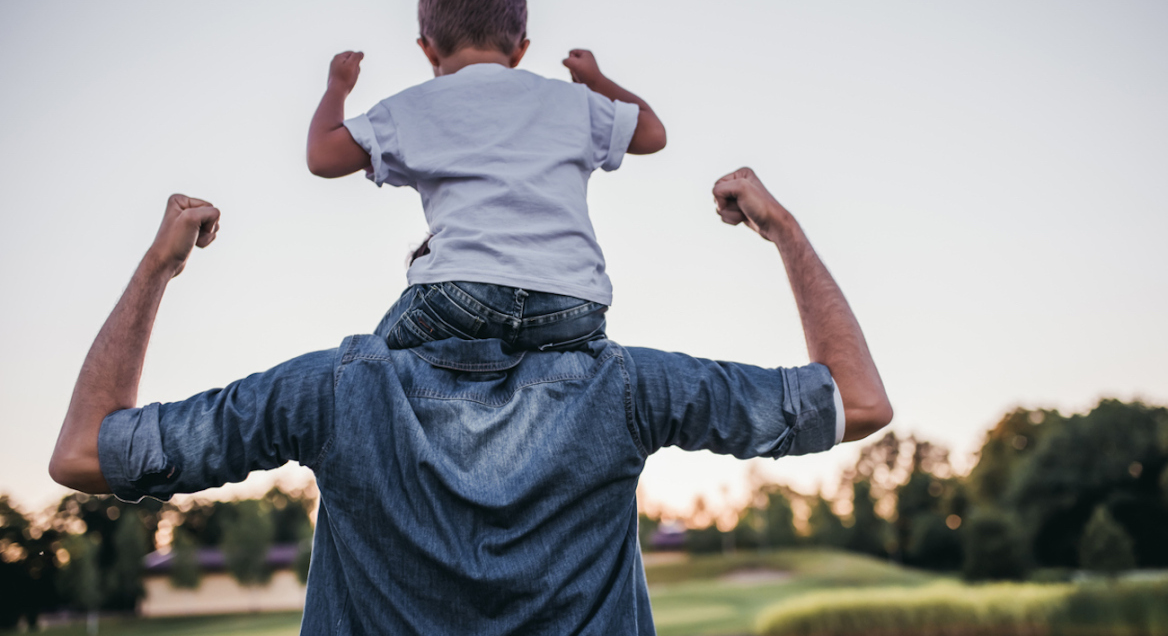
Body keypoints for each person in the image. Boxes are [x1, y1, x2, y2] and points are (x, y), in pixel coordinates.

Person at [49, 168, 892, 635]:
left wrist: (159, 266)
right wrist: (782, 228)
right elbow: (856, 400)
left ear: (423, 274)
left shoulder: (334, 391)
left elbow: (86, 452)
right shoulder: (625, 386)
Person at [305, 0, 667, 352]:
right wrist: (595, 80)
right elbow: (653, 133)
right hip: (574, 304)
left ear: (427, 49)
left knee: (369, 366)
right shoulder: (573, 100)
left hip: (463, 295)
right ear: (521, 49)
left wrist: (338, 85)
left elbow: (322, 156)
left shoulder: (415, 105)